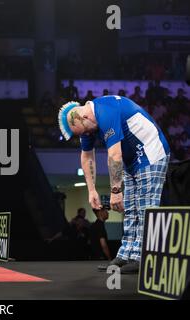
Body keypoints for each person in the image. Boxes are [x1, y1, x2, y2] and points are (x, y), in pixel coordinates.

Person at [57, 95, 170, 274]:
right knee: (131, 209)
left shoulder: (105, 111)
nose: (86, 136)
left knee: (145, 207)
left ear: (84, 117)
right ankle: (126, 254)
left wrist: (116, 190)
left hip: (152, 153)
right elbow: (86, 156)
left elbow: (114, 155)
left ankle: (143, 258)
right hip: (132, 161)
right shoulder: (86, 125)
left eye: (84, 132)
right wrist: (92, 190)